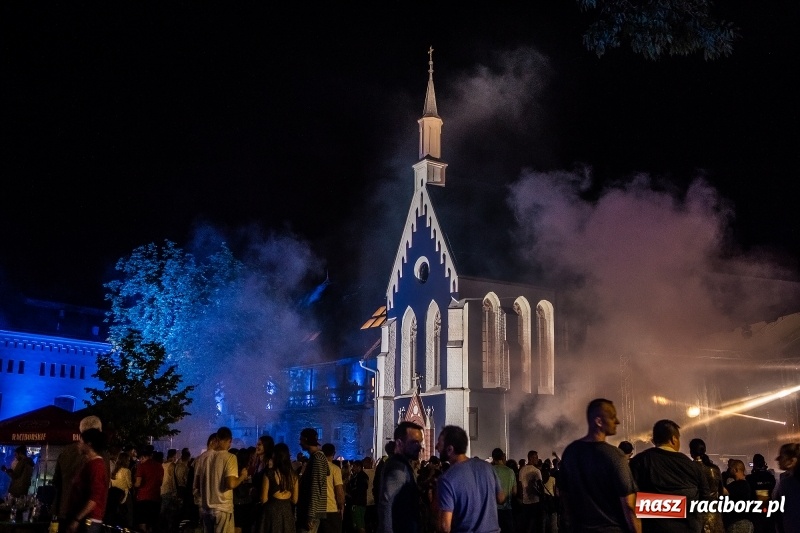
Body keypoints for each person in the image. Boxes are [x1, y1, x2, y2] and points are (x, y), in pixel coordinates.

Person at [559, 398, 640, 533]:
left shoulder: (571, 452)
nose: (617, 421)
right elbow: (629, 505)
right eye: (612, 417)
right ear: (598, 421)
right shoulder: (615, 456)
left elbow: (564, 494)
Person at [629, 419, 709, 533]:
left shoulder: (640, 461)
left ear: (654, 440)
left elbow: (630, 498)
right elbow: (705, 498)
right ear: (674, 439)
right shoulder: (692, 466)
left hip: (653, 528)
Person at [435, 425, 504, 533]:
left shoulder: (446, 479)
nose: (436, 447)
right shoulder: (487, 467)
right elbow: (500, 498)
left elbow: (445, 526)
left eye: (439, 443)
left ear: (450, 449)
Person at [194, 427, 250, 533]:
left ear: (217, 439)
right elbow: (231, 484)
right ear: (230, 440)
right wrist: (242, 476)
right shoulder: (230, 457)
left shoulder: (203, 458)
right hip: (223, 509)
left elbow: (197, 484)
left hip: (206, 508)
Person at [53, 415, 103, 527]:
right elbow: (99, 492)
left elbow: (56, 481)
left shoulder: (66, 451)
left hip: (64, 510)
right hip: (88, 516)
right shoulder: (101, 456)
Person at [376, 421, 424, 533]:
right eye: (414, 443)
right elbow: (386, 503)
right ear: (399, 443)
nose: (419, 447)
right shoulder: (398, 467)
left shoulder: (402, 465)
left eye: (420, 442)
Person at [64, 428, 108, 533]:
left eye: (81, 442)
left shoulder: (97, 466)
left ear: (89, 444)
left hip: (88, 521)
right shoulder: (88, 463)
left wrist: (77, 519)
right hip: (83, 519)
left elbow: (94, 498)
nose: (78, 445)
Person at [260, 442, 299, 533]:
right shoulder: (294, 475)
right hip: (287, 513)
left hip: (271, 512)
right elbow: (295, 500)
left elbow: (264, 499)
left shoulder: (269, 473)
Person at [296, 428, 329, 533]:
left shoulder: (317, 458)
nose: (299, 443)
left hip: (310, 512)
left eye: (301, 439)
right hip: (309, 510)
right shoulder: (315, 458)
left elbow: (316, 487)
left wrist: (311, 514)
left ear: (305, 439)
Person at [135, 445, 164, 533]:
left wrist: (134, 485)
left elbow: (138, 483)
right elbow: (161, 482)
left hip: (143, 498)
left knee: (142, 523)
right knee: (152, 523)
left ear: (143, 456)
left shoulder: (142, 466)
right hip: (155, 498)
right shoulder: (159, 466)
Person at [772, 442, 800, 533]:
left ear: (792, 460)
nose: (778, 461)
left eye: (782, 457)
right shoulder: (787, 480)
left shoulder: (788, 483)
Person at [745, 454, 775, 533]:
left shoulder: (749, 478)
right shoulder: (770, 477)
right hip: (768, 509)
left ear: (754, 464)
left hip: (755, 510)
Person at [723, 460, 753, 533]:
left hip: (738, 524)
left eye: (730, 469)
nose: (729, 470)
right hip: (745, 522)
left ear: (735, 469)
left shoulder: (739, 484)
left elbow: (722, 492)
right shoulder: (746, 483)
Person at [491, 448, 516, 533]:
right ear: (502, 457)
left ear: (493, 458)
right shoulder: (510, 471)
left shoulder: (490, 470)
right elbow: (514, 491)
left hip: (493, 510)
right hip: (507, 508)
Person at [321, 443, 345, 533]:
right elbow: (339, 490)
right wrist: (341, 505)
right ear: (333, 453)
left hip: (317, 509)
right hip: (331, 508)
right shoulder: (335, 469)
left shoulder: (315, 467)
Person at [517, 450, 543, 533]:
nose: (537, 459)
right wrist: (542, 496)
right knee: (536, 525)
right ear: (531, 458)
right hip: (535, 501)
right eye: (536, 457)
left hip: (525, 501)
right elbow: (541, 486)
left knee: (527, 524)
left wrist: (521, 498)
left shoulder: (522, 470)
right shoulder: (536, 471)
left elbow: (520, 486)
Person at [107, 451, 133, 527]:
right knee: (129, 513)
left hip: (115, 494)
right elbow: (129, 485)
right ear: (125, 461)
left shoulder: (115, 470)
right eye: (128, 460)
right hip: (125, 494)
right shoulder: (126, 471)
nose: (129, 461)